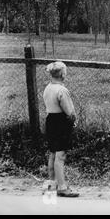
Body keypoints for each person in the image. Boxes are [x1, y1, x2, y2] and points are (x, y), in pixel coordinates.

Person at [42, 61, 79, 197]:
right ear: (63, 74)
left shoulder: (48, 88)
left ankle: (52, 185)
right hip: (61, 123)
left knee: (52, 154)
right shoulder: (62, 90)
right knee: (60, 156)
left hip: (50, 121)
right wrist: (74, 121)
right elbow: (70, 112)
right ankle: (62, 187)